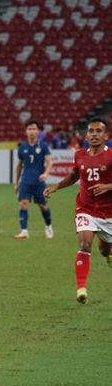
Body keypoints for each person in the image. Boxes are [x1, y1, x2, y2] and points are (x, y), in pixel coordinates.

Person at [44, 118, 112, 304]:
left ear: (105, 135)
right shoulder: (80, 155)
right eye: (91, 131)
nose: (94, 134)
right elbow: (75, 175)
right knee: (84, 245)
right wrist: (56, 186)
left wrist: (108, 186)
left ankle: (108, 254)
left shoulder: (111, 156)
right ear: (86, 135)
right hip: (85, 208)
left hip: (108, 213)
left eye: (99, 131)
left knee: (105, 249)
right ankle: (81, 288)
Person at [13, 120, 54, 240]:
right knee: (24, 204)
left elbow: (50, 161)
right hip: (25, 181)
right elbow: (19, 165)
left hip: (38, 183)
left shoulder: (43, 146)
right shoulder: (22, 148)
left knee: (43, 206)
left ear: (38, 131)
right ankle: (24, 231)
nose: (31, 131)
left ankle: (48, 226)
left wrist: (46, 173)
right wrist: (17, 183)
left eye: (34, 129)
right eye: (29, 129)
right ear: (26, 132)